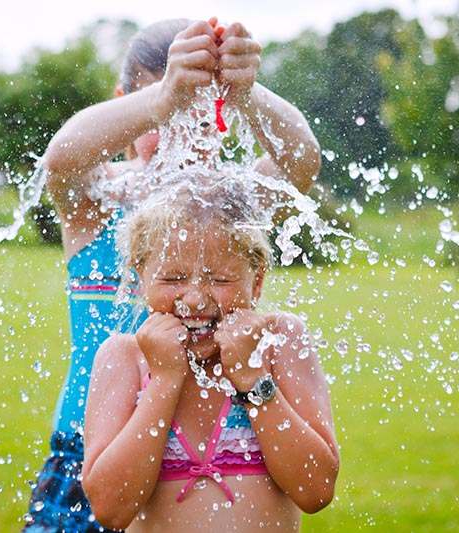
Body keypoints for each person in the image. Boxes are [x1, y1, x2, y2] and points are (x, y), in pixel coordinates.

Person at [23, 17, 321, 532]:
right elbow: (63, 159)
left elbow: (301, 162)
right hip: (89, 449)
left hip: (211, 446)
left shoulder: (234, 208)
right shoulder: (103, 201)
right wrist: (166, 97)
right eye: (165, 115)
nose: (181, 133)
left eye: (200, 116)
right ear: (127, 105)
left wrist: (248, 93)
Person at [82, 183, 339, 532]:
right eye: (172, 278)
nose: (195, 299)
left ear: (257, 281)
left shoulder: (278, 343)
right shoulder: (124, 357)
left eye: (219, 278)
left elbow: (316, 489)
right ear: (141, 277)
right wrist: (165, 380)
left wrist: (251, 377)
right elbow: (111, 509)